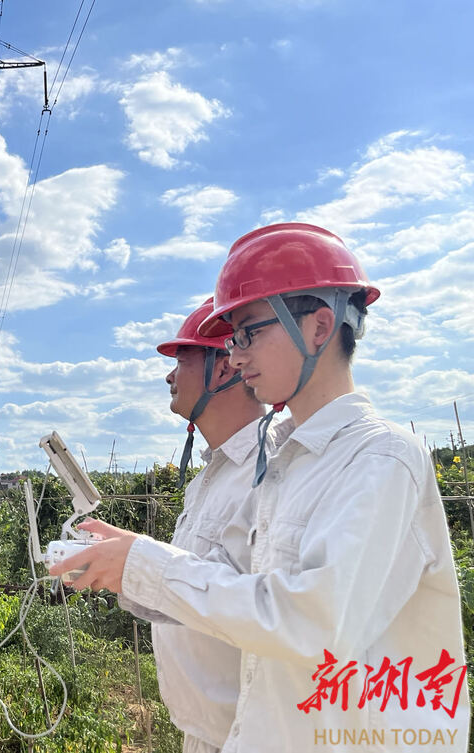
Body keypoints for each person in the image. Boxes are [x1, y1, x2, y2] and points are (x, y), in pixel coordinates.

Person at [53, 223, 469, 752]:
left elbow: (315, 623)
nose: (237, 354)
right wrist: (130, 564)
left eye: (249, 332)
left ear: (320, 327)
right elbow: (246, 615)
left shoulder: (381, 458)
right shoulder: (282, 466)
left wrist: (144, 564)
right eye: (231, 339)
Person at [105, 298, 266, 753]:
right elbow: (194, 594)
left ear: (223, 368)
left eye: (182, 360)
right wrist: (120, 567)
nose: (169, 376)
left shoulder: (269, 473)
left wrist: (135, 559)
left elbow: (255, 608)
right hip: (204, 734)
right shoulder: (210, 480)